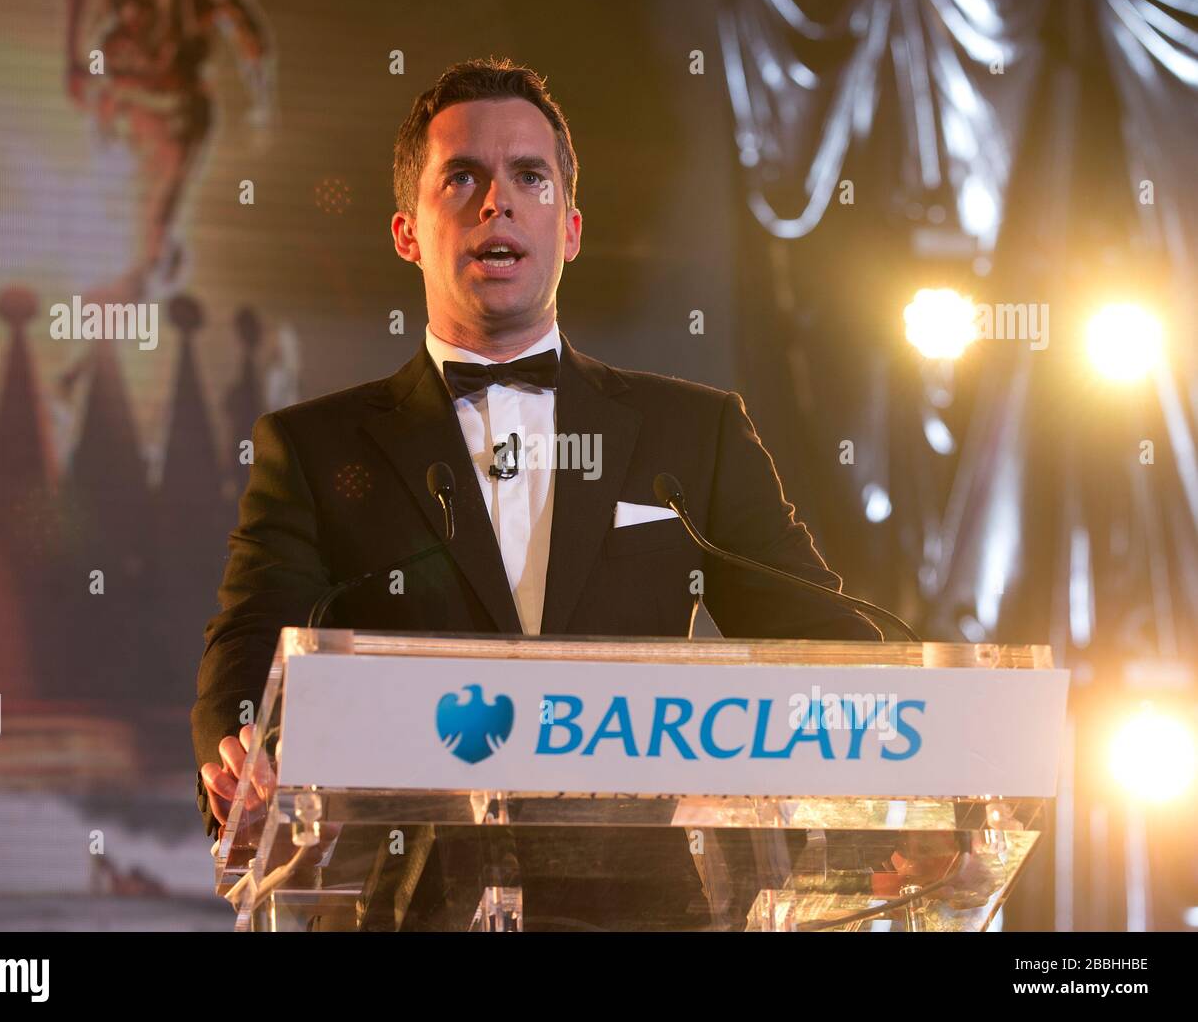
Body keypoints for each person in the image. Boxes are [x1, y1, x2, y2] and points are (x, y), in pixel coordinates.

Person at [193, 56, 880, 928]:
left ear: (572, 226)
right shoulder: (315, 447)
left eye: (529, 176)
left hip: (640, 912)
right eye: (463, 178)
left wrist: (930, 739)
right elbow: (253, 638)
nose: (498, 202)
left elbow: (815, 632)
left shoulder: (693, 432)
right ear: (406, 230)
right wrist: (241, 762)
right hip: (397, 909)